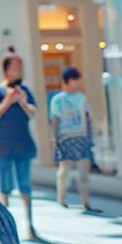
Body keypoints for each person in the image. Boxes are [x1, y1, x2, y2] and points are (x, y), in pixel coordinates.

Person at [0, 55, 40, 239]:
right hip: (1, 145)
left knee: (25, 185)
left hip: (23, 143)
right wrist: (7, 101)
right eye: (16, 67)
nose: (19, 71)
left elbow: (33, 113)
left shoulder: (25, 91)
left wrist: (23, 101)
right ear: (7, 70)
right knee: (4, 187)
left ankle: (30, 225)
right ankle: (5, 227)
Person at [49, 67, 97, 213]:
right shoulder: (57, 99)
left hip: (81, 136)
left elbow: (88, 118)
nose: (76, 83)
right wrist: (53, 137)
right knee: (64, 170)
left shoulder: (82, 98)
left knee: (84, 173)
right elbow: (55, 119)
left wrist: (92, 135)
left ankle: (85, 202)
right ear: (66, 82)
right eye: (74, 81)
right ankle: (61, 199)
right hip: (65, 137)